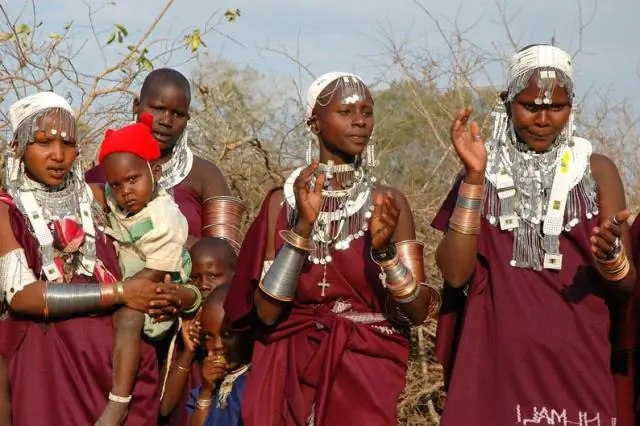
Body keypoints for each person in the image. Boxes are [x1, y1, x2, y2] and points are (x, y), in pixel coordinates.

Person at [432, 44, 636, 425]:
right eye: (530, 106)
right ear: (507, 101)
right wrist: (475, 178)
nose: (543, 119)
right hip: (495, 360)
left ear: (571, 106)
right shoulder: (481, 169)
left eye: (556, 107)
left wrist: (612, 259)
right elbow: (455, 274)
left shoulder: (597, 170)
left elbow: (624, 288)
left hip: (578, 360)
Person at [224, 72, 441, 425]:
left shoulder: (388, 202)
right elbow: (265, 314)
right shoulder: (283, 204)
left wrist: (385, 255)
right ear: (314, 122)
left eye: (366, 112)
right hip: (288, 369)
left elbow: (416, 314)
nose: (359, 121)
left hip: (363, 377)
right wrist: (303, 229)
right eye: (346, 111)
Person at [0, 91, 188, 426]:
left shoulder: (100, 196)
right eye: (43, 143)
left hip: (115, 368)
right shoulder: (6, 211)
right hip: (46, 370)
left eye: (68, 144)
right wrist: (120, 293)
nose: (58, 155)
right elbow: (23, 296)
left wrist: (181, 295)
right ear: (18, 147)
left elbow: (169, 247)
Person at [92, 113, 202, 425]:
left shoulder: (164, 217)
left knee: (126, 319)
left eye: (132, 180)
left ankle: (119, 400)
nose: (125, 191)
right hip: (128, 286)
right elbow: (97, 193)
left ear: (154, 171)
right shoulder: (121, 198)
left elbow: (154, 274)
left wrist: (115, 295)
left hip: (154, 293)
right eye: (117, 183)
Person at [85, 68, 245, 251]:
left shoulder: (207, 176)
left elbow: (226, 255)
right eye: (158, 108)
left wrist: (169, 236)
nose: (166, 121)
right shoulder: (100, 175)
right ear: (136, 106)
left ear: (187, 119)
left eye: (178, 114)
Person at [160, 237, 237, 422]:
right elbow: (164, 408)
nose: (203, 285)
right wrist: (188, 352)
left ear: (235, 275)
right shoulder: (182, 326)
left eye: (214, 276)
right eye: (195, 278)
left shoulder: (242, 326)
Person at [187, 283, 252, 426]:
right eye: (208, 337)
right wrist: (206, 391)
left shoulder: (255, 383)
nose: (217, 346)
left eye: (227, 335)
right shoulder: (210, 383)